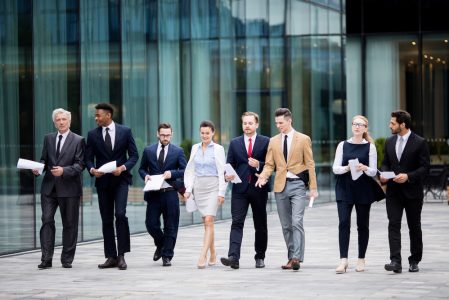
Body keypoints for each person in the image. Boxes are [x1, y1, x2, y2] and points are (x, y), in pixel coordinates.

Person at [255, 108, 318, 271]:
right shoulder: (273, 141)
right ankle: (291, 257)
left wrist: (313, 187)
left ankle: (297, 257)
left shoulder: (303, 139)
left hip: (297, 184)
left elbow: (310, 164)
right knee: (285, 225)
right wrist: (263, 176)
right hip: (280, 186)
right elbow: (269, 164)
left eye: (281, 123)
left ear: (290, 121)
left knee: (296, 221)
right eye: (276, 123)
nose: (278, 126)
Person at [85, 102, 139, 270]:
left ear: (108, 115)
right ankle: (111, 256)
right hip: (103, 182)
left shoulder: (125, 131)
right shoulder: (92, 135)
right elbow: (88, 158)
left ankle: (122, 255)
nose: (96, 118)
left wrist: (123, 168)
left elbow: (134, 155)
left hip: (121, 180)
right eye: (95, 115)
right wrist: (92, 170)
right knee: (106, 219)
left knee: (120, 214)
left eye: (98, 115)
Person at [33, 108, 85, 269]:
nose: (61, 122)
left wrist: (64, 171)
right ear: (54, 122)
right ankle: (46, 258)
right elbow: (44, 159)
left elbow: (80, 165)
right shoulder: (48, 138)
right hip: (49, 188)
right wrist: (38, 168)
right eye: (58, 120)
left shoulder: (78, 140)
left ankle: (66, 259)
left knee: (69, 224)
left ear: (69, 121)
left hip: (69, 188)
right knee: (46, 220)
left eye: (64, 119)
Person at [381, 110, 429, 274]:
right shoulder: (389, 142)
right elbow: (385, 163)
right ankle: (395, 261)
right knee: (393, 224)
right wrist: (384, 175)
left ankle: (414, 259)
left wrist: (408, 176)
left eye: (393, 123)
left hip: (412, 192)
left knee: (414, 226)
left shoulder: (420, 142)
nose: (390, 125)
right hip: (393, 192)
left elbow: (425, 168)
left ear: (403, 124)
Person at [332, 115, 382, 273]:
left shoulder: (370, 147)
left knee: (363, 225)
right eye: (354, 124)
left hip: (363, 189)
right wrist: (347, 168)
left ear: (365, 128)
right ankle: (343, 260)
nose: (357, 127)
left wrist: (364, 168)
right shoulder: (342, 145)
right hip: (344, 188)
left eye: (360, 125)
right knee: (344, 223)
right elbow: (335, 168)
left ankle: (361, 259)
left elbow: (374, 171)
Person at [221, 112, 270, 269]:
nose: (247, 126)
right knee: (236, 222)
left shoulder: (266, 141)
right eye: (244, 123)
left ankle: (260, 257)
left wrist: (258, 165)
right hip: (239, 189)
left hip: (258, 188)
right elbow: (229, 164)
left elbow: (271, 164)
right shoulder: (235, 143)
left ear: (257, 124)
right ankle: (233, 257)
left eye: (250, 123)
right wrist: (227, 175)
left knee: (260, 224)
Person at [138, 123, 187, 267]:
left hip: (170, 193)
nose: (165, 138)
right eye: (163, 135)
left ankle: (167, 256)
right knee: (151, 224)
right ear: (157, 134)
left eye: (168, 135)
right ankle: (161, 245)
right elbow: (141, 169)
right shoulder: (148, 150)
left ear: (171, 134)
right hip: (153, 193)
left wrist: (172, 173)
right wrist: (145, 176)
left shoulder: (178, 151)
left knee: (171, 225)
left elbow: (185, 170)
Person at [183, 120, 227, 269]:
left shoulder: (218, 149)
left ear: (213, 133)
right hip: (199, 187)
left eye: (207, 133)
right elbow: (190, 170)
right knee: (207, 223)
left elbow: (222, 171)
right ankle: (213, 252)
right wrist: (188, 189)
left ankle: (202, 255)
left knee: (209, 219)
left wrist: (222, 192)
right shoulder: (195, 148)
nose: (205, 135)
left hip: (213, 186)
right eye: (202, 133)